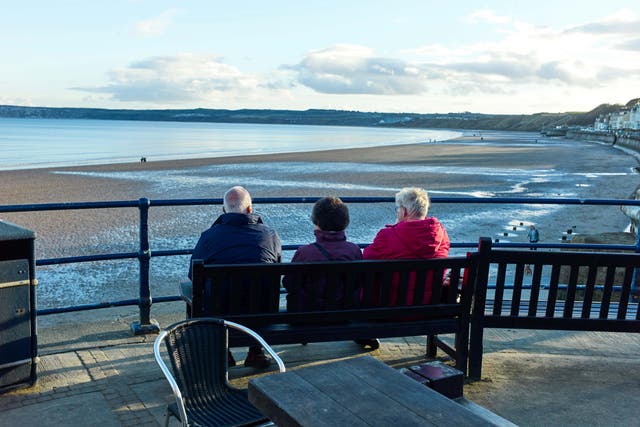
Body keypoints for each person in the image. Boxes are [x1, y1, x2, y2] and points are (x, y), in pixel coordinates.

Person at [185, 186, 281, 369]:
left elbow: (193, 276)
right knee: (260, 289)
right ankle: (256, 351)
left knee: (203, 293)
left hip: (219, 315)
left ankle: (224, 352)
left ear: (223, 210)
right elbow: (276, 271)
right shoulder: (270, 235)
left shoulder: (208, 237)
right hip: (261, 314)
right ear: (250, 209)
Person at [363, 187, 450, 305]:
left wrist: (397, 227)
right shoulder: (442, 234)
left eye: (397, 208)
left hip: (391, 308)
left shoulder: (388, 236)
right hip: (428, 307)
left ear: (404, 211)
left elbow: (366, 258)